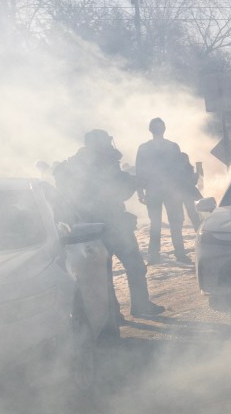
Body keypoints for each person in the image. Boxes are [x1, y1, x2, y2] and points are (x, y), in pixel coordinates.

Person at [54, 129, 165, 318]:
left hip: (90, 227)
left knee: (104, 273)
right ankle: (140, 306)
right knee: (134, 265)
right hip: (112, 223)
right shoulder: (101, 162)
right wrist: (134, 182)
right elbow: (116, 190)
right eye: (106, 141)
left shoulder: (75, 164)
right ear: (98, 143)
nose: (109, 144)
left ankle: (113, 315)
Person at [135, 117, 191, 264]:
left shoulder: (145, 148)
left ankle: (157, 255)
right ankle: (177, 254)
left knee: (159, 224)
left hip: (159, 190)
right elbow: (180, 170)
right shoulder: (172, 146)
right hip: (165, 190)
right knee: (171, 224)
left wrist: (140, 191)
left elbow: (139, 171)